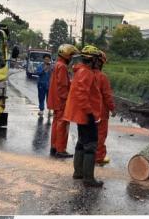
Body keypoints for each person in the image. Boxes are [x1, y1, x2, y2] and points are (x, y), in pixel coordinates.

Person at [65, 45, 105, 187]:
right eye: (97, 59)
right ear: (92, 59)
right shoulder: (86, 73)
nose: (98, 62)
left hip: (82, 113)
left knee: (82, 142)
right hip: (86, 114)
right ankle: (88, 178)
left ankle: (79, 173)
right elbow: (82, 95)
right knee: (91, 146)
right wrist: (90, 113)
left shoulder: (81, 71)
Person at [47, 44, 77, 158]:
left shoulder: (57, 65)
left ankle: (54, 147)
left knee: (56, 124)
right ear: (67, 55)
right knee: (62, 125)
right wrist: (66, 100)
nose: (71, 59)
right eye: (71, 56)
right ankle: (60, 149)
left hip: (55, 100)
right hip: (61, 101)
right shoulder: (63, 66)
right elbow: (62, 86)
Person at [94, 51, 115, 165]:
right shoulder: (102, 77)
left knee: (89, 135)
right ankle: (99, 157)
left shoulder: (85, 74)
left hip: (89, 110)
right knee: (101, 135)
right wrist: (112, 108)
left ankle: (88, 156)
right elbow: (107, 96)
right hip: (101, 111)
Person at [37, 54, 53, 121]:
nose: (47, 60)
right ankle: (41, 110)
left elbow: (54, 74)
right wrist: (44, 70)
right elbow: (38, 73)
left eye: (48, 59)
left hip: (49, 85)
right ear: (43, 60)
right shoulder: (40, 66)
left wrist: (50, 70)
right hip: (41, 84)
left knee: (49, 98)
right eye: (46, 59)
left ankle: (49, 110)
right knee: (41, 97)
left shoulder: (52, 67)